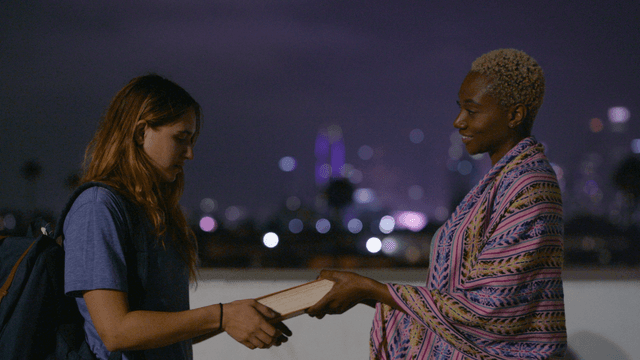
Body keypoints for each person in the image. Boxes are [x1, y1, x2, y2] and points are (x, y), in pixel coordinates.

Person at [307, 49, 567, 359]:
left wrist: (370, 290)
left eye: (472, 111)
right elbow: (456, 301)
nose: (459, 121)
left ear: (514, 115)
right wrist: (367, 294)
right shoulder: (496, 184)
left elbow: (490, 311)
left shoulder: (529, 185)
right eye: (460, 109)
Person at [62, 74, 291, 359]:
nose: (190, 153)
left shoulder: (154, 212)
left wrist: (239, 316)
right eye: (180, 138)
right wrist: (221, 316)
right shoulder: (98, 207)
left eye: (192, 140)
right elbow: (116, 332)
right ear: (140, 133)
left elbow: (167, 332)